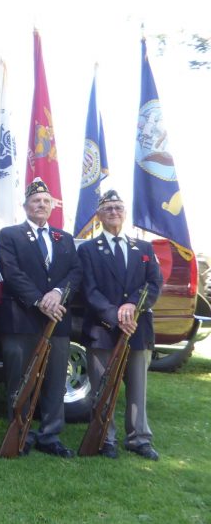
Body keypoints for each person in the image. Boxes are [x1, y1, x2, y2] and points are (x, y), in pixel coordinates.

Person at [0, 177, 82, 458]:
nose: (41, 205)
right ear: (26, 206)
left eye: (46, 201)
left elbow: (75, 273)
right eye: (36, 201)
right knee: (20, 380)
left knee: (56, 381)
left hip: (56, 320)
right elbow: (11, 272)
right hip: (21, 319)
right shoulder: (10, 235)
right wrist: (38, 300)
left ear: (52, 206)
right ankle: (20, 432)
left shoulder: (65, 239)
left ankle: (50, 435)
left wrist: (58, 292)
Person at [77, 189, 163, 460]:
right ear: (99, 215)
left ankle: (139, 438)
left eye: (118, 207)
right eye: (108, 208)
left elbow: (154, 283)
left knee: (137, 386)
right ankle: (105, 437)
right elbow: (88, 290)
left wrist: (132, 307)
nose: (114, 212)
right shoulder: (89, 249)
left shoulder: (145, 248)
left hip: (136, 329)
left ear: (124, 213)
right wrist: (115, 315)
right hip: (102, 329)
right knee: (103, 386)